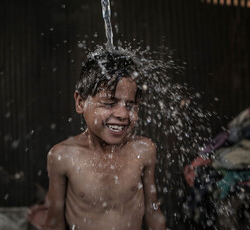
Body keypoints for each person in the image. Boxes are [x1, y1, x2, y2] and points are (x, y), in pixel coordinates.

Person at [29, 50, 166, 230]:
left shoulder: (143, 150)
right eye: (109, 103)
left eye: (130, 105)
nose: (123, 114)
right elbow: (55, 223)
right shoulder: (63, 156)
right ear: (80, 102)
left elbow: (153, 212)